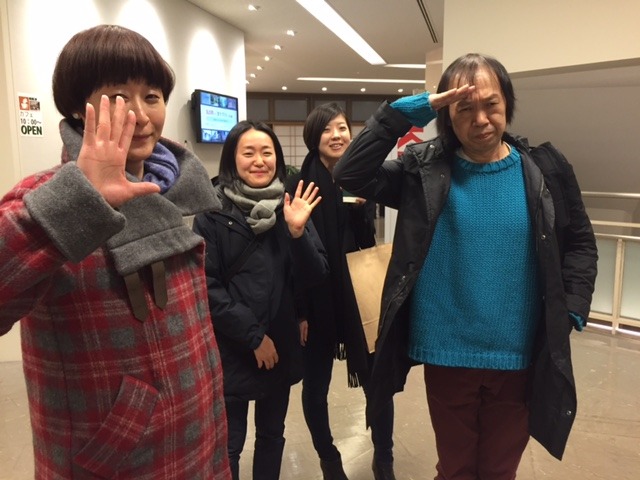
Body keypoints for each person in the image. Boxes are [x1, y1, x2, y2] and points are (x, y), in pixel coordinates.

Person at [333, 53, 598, 480]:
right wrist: (401, 115)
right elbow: (350, 173)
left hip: (520, 353)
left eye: (491, 104)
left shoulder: (545, 170)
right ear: (447, 116)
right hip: (447, 351)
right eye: (464, 109)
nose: (481, 119)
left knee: (499, 471)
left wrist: (568, 310)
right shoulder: (423, 171)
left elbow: (581, 243)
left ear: (507, 104)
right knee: (455, 469)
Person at [0, 25, 231, 479]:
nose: (142, 115)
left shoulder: (174, 190)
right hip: (114, 458)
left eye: (152, 96)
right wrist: (80, 200)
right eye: (119, 97)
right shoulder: (46, 196)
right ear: (78, 107)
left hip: (199, 438)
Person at [192, 120, 329, 480]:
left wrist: (298, 234)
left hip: (280, 343)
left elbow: (315, 275)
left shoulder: (290, 206)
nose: (259, 161)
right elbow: (206, 285)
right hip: (232, 346)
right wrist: (253, 337)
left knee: (271, 435)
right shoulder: (212, 213)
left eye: (267, 152)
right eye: (248, 152)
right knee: (229, 444)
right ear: (232, 159)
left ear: (277, 159)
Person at [288, 103, 395, 480]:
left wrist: (361, 211)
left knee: (377, 382)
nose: (336, 136)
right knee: (315, 388)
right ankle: (329, 459)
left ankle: (384, 457)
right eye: (327, 129)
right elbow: (291, 255)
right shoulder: (300, 185)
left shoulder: (360, 178)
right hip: (317, 303)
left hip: (358, 300)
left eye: (342, 128)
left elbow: (366, 246)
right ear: (313, 138)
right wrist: (300, 311)